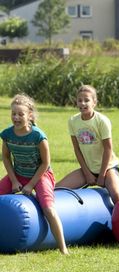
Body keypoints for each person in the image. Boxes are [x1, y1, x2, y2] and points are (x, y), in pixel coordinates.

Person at [0, 94, 69, 255]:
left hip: (41, 175)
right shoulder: (7, 134)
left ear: (30, 115)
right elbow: (5, 157)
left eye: (20, 114)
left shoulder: (38, 136)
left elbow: (45, 163)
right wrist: (14, 180)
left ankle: (63, 248)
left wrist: (31, 185)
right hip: (19, 174)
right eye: (13, 114)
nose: (16, 117)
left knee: (49, 209)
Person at [56, 85, 119, 204]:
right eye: (79, 100)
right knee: (57, 189)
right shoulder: (73, 121)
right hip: (88, 169)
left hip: (108, 168)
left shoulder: (102, 121)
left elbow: (108, 149)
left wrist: (102, 175)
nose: (83, 103)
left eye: (87, 100)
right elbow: (77, 149)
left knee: (116, 195)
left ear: (94, 102)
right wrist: (87, 173)